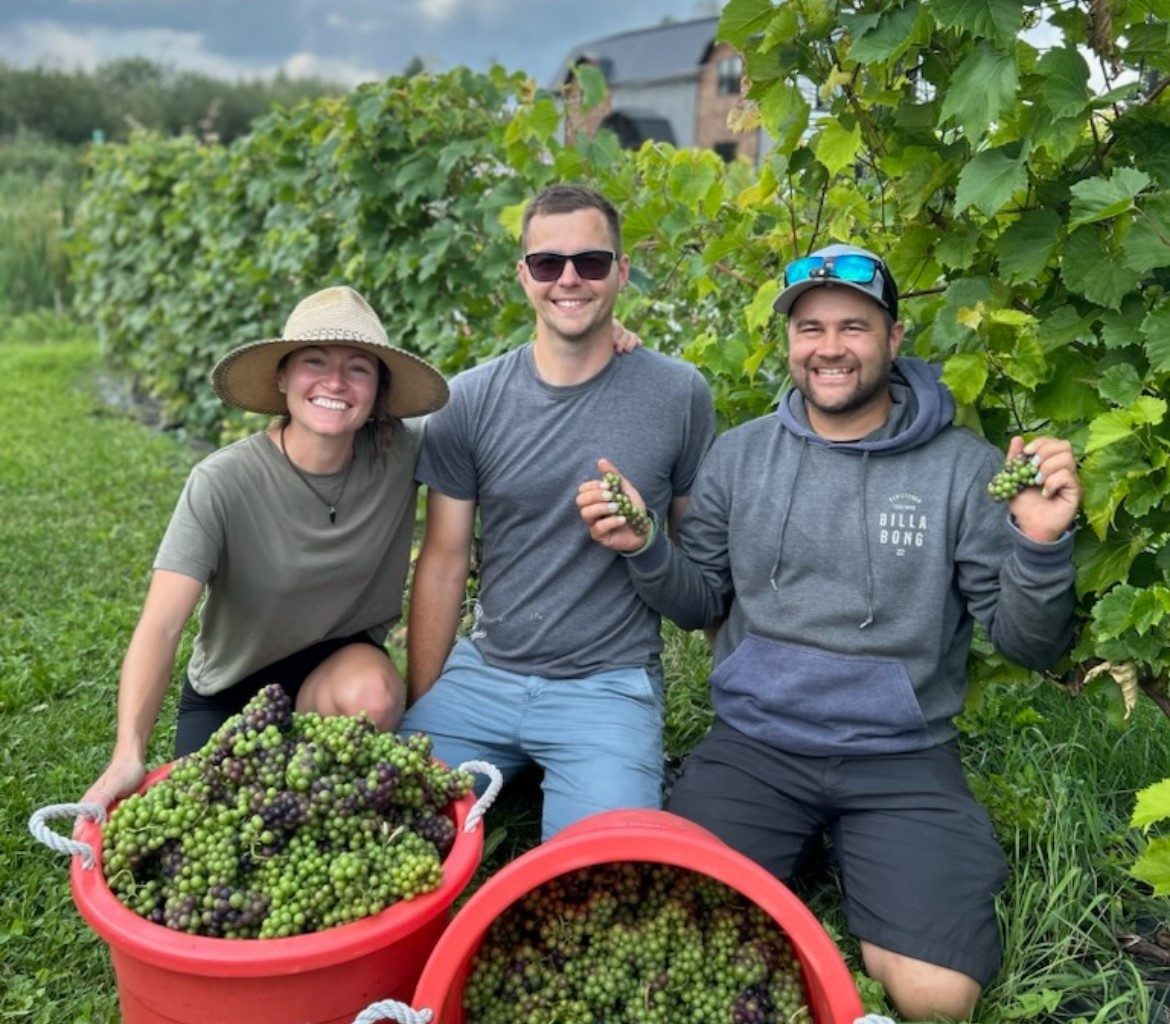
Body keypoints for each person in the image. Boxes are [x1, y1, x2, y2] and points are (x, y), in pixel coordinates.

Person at [578, 243, 1082, 1022]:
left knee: (938, 1000)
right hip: (756, 746)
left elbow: (1028, 644)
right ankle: (795, 841)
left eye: (853, 326)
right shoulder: (740, 456)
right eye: (810, 328)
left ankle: (853, 852)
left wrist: (1041, 545)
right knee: (665, 953)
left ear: (894, 337)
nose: (830, 348)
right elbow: (698, 602)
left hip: (901, 758)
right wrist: (647, 547)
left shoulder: (961, 469)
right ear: (790, 341)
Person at [399, 183, 716, 840]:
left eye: (591, 262)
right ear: (524, 276)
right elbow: (444, 562)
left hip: (609, 689)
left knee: (597, 872)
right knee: (383, 831)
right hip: (484, 676)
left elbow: (698, 597)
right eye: (548, 263)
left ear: (621, 272)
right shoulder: (468, 401)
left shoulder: (678, 396)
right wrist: (425, 708)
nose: (569, 279)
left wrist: (646, 543)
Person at [80, 285, 449, 809]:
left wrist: (583, 345)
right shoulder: (222, 482)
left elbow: (485, 407)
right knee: (221, 819)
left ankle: (320, 786)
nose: (335, 383)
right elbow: (160, 626)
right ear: (282, 377)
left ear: (378, 392)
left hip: (336, 671)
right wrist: (128, 753)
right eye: (314, 361)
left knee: (373, 697)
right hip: (233, 689)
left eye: (358, 368)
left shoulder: (402, 450)